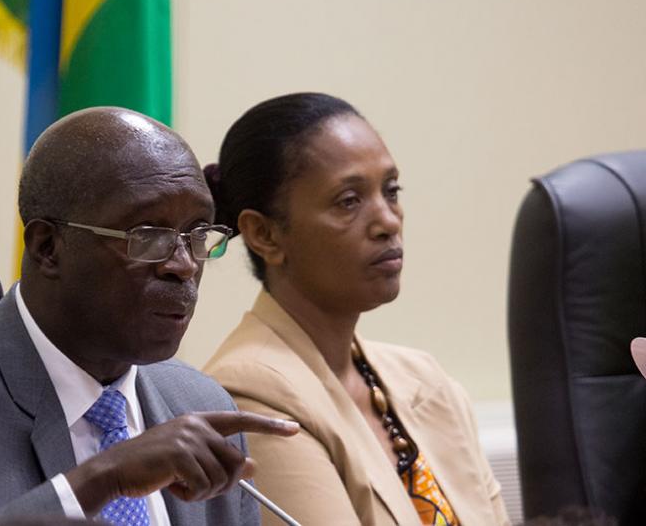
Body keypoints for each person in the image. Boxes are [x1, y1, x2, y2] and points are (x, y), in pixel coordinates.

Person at [0, 107, 298, 525]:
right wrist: (99, 481)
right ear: (48, 248)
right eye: (147, 235)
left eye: (198, 234)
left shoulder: (197, 400)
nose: (183, 265)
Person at [203, 92, 510, 526]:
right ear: (264, 234)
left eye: (392, 191)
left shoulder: (424, 378)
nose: (388, 221)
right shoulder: (249, 394)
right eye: (348, 200)